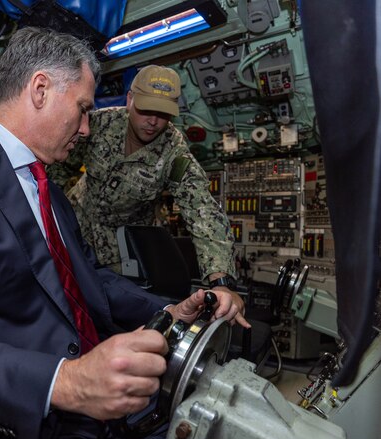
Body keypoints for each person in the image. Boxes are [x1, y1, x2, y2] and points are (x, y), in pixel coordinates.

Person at [0, 27, 248, 439]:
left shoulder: (50, 192)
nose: (88, 126)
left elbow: (89, 278)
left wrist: (167, 310)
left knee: (218, 435)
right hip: (30, 418)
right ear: (40, 89)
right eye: (83, 109)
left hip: (95, 409)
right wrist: (65, 382)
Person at [47, 64, 242, 301]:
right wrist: (48, 213)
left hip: (122, 254)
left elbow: (204, 212)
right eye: (146, 109)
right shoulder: (99, 126)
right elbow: (59, 168)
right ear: (130, 99)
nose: (153, 121)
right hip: (73, 231)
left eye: (162, 113)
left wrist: (221, 282)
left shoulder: (174, 154)